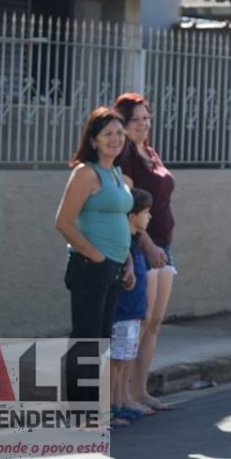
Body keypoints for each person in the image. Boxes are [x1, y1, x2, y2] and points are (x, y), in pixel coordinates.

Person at [55, 106, 134, 402]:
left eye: (119, 133)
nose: (115, 139)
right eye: (107, 134)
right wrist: (97, 257)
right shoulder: (86, 173)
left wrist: (127, 261)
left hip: (113, 268)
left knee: (101, 341)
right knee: (86, 341)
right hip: (90, 267)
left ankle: (92, 408)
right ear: (93, 140)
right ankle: (81, 412)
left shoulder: (116, 174)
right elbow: (63, 222)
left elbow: (121, 221)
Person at [114, 92, 176, 412]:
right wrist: (148, 245)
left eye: (146, 118)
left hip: (165, 244)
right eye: (135, 119)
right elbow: (128, 208)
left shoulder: (150, 152)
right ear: (123, 124)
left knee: (155, 322)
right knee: (139, 322)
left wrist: (160, 245)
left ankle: (140, 391)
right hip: (143, 246)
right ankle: (122, 394)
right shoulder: (125, 158)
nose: (142, 124)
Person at [111, 188, 153, 425]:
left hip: (134, 311)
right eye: (145, 212)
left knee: (126, 357)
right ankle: (114, 404)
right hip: (123, 312)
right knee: (117, 359)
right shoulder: (124, 244)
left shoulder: (136, 242)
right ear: (132, 216)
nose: (149, 216)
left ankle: (121, 401)